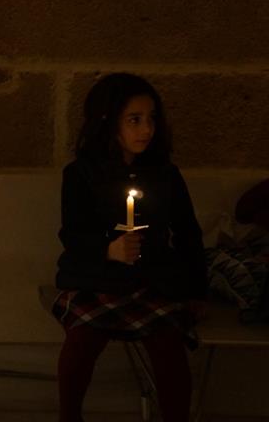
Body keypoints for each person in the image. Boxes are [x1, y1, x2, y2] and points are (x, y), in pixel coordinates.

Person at [51, 73, 207, 422]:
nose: (146, 129)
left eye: (151, 119)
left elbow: (187, 233)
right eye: (134, 120)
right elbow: (73, 234)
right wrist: (109, 250)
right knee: (82, 341)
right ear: (109, 123)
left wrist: (197, 289)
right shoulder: (81, 174)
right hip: (97, 280)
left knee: (168, 344)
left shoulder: (164, 175)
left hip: (152, 280)